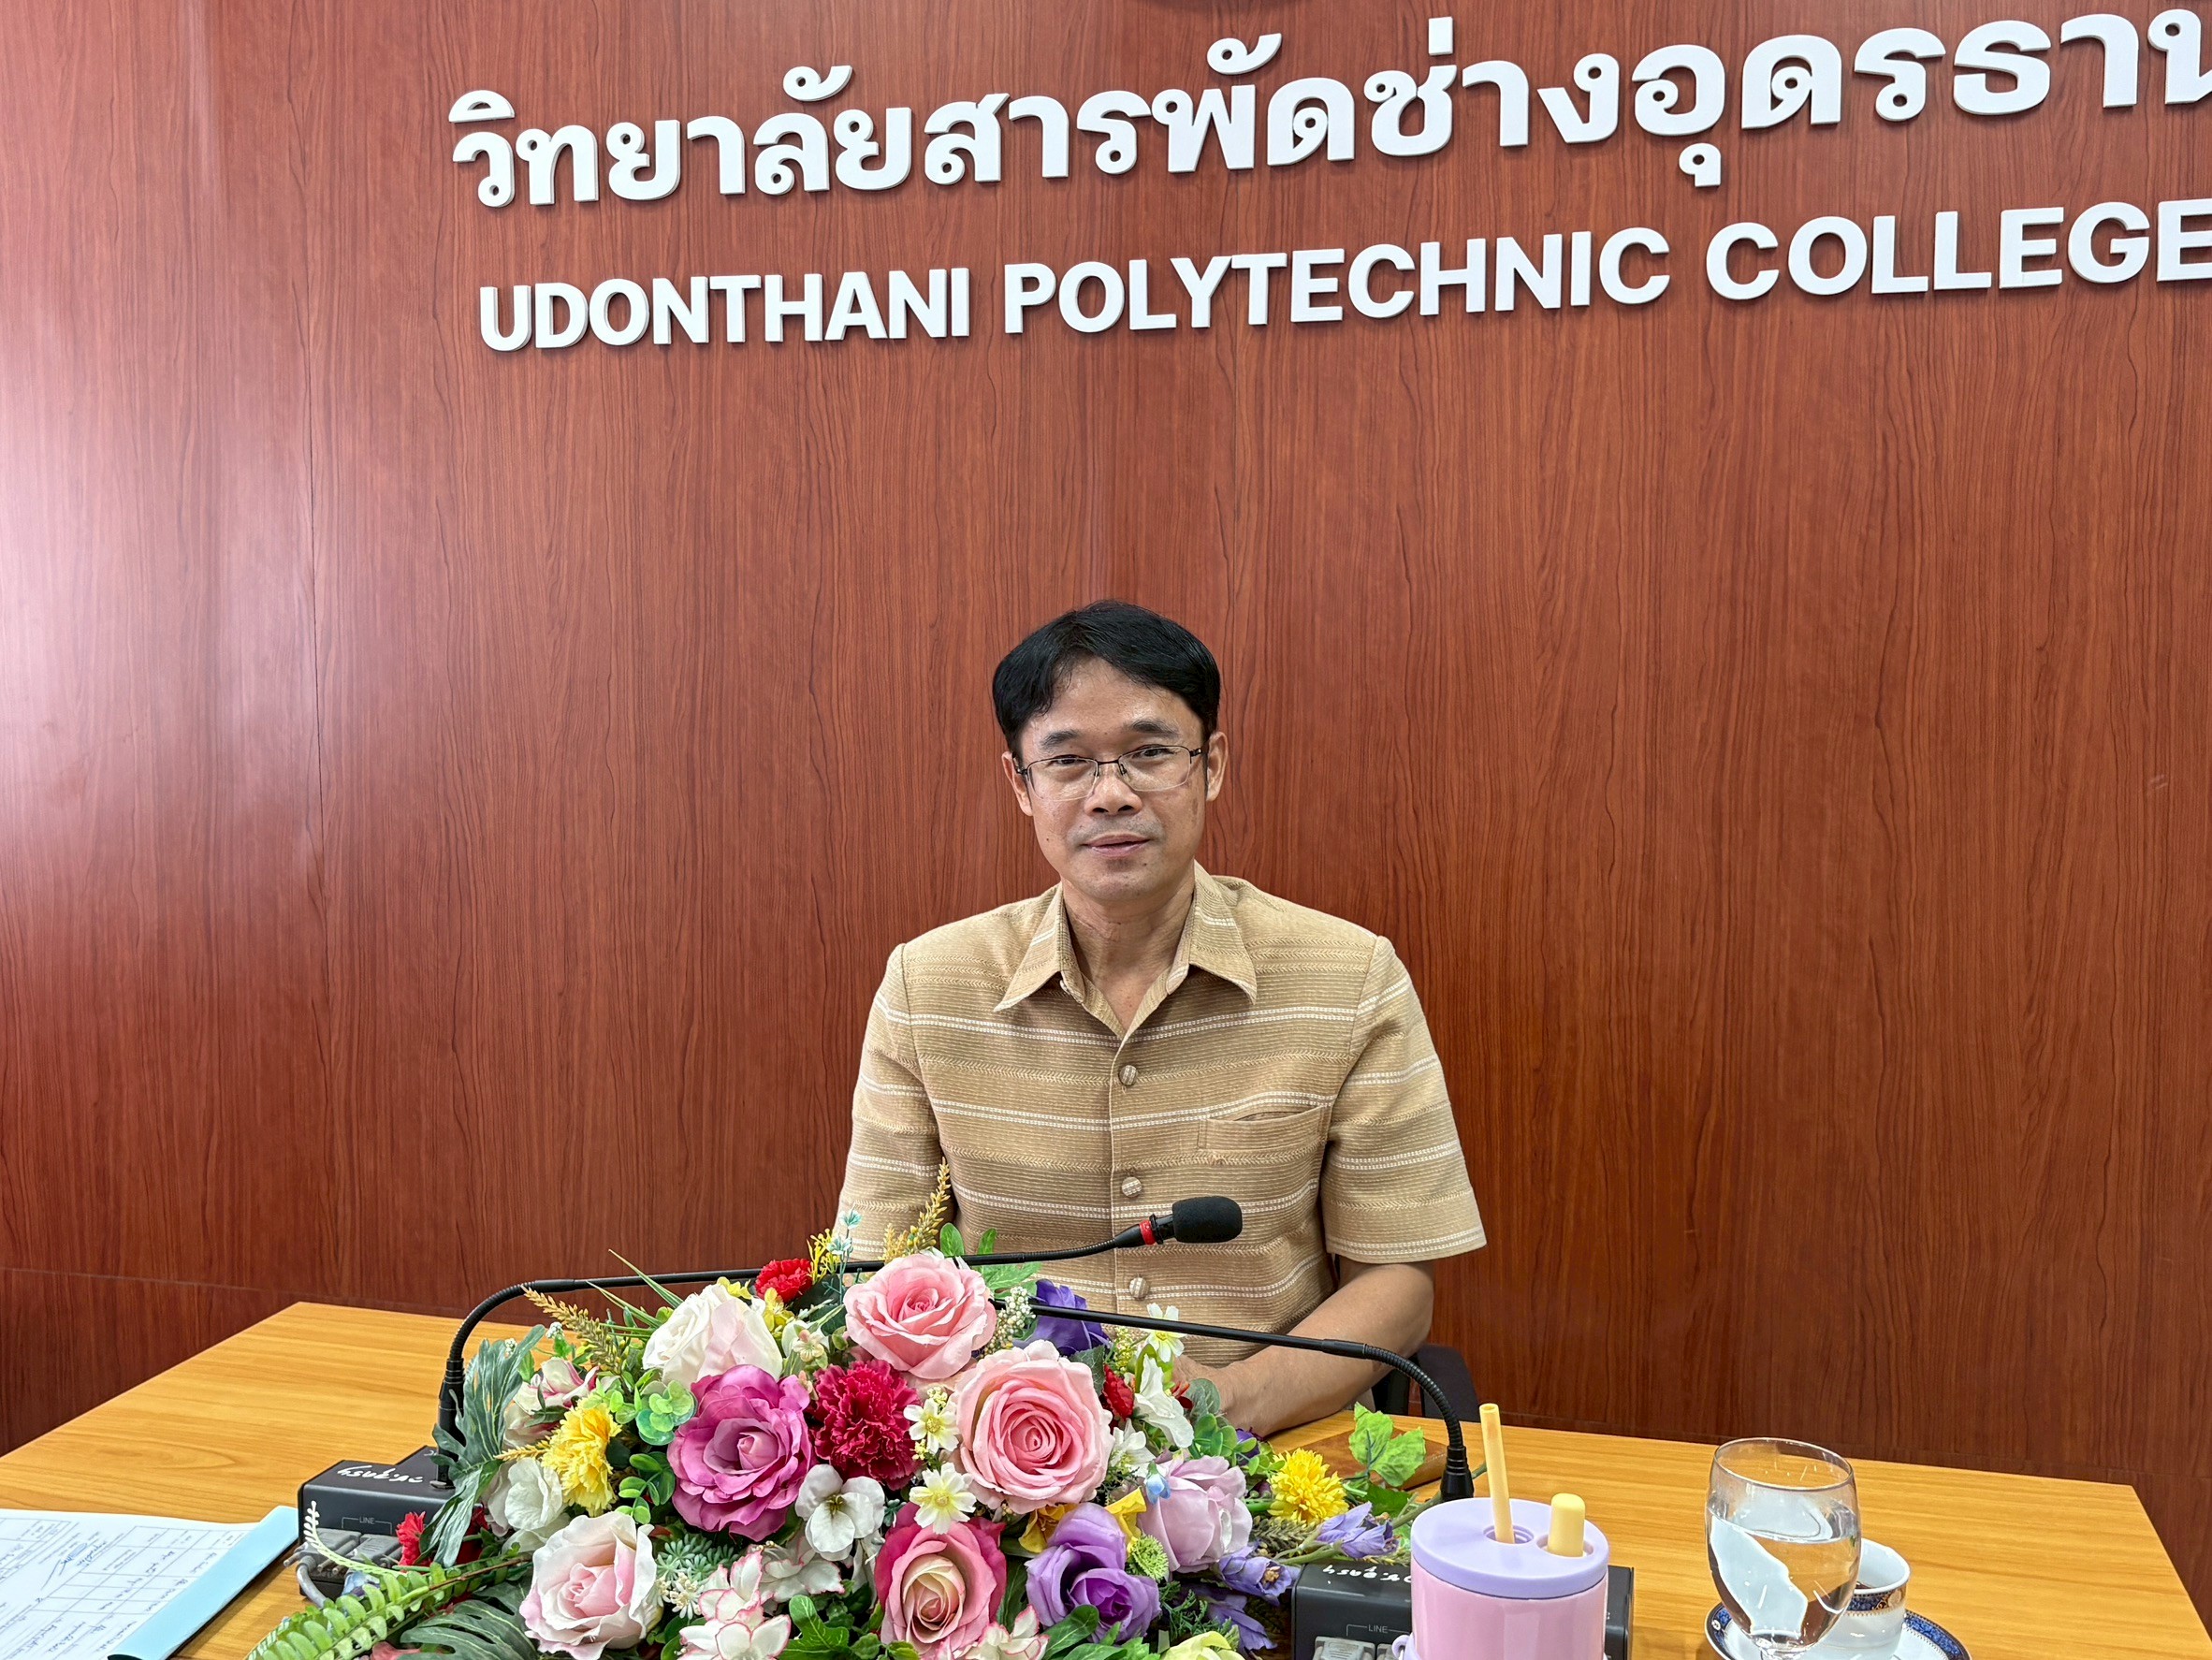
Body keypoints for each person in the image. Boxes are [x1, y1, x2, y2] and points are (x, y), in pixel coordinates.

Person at [835, 601, 1483, 1434]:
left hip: (1277, 1455)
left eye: (1149, 754)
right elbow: (869, 1274)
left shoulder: (1349, 978)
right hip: (996, 1461)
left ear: (1211, 765)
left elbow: (1397, 1282)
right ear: (1021, 784)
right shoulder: (929, 988)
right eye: (1067, 762)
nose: (1110, 795)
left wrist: (1230, 1400)